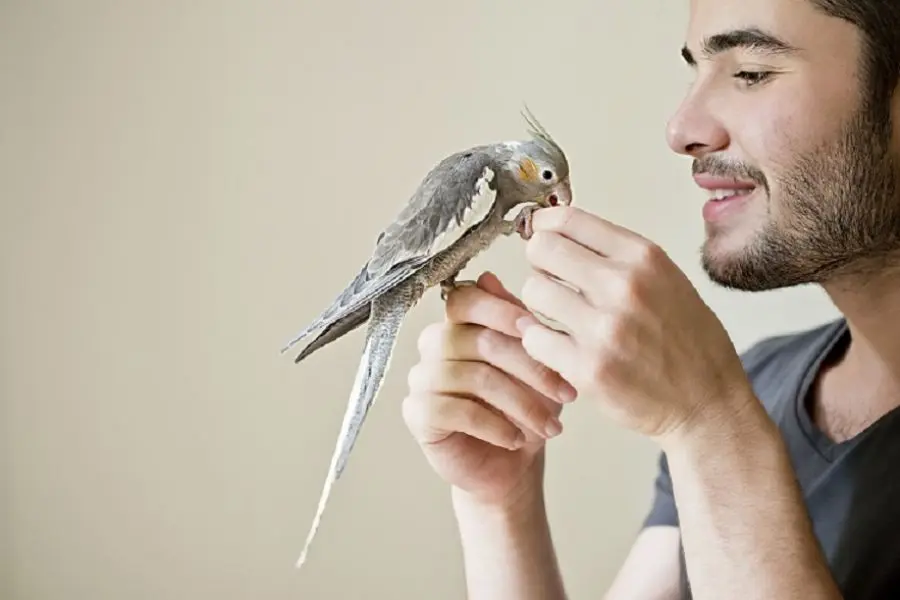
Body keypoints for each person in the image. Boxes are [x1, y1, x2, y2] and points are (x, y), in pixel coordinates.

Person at [400, 0, 900, 598]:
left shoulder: (724, 409)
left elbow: (713, 420)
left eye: (750, 73)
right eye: (695, 73)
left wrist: (712, 423)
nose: (681, 128)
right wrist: (500, 503)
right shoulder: (760, 384)